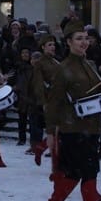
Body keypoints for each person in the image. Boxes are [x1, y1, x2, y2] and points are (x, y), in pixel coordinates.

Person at [41, 21, 101, 201]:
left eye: (86, 38)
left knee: (74, 175)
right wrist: (50, 132)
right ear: (68, 42)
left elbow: (92, 94)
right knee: (88, 174)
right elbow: (53, 103)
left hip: (92, 127)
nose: (84, 42)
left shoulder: (90, 64)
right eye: (79, 39)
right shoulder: (63, 69)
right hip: (72, 129)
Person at [29, 35, 61, 166]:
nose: (53, 47)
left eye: (53, 44)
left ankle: (41, 148)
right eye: (49, 45)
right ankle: (55, 163)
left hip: (59, 99)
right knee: (54, 131)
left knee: (57, 131)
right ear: (43, 47)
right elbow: (38, 84)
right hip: (49, 100)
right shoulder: (40, 63)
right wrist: (43, 102)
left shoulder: (56, 61)